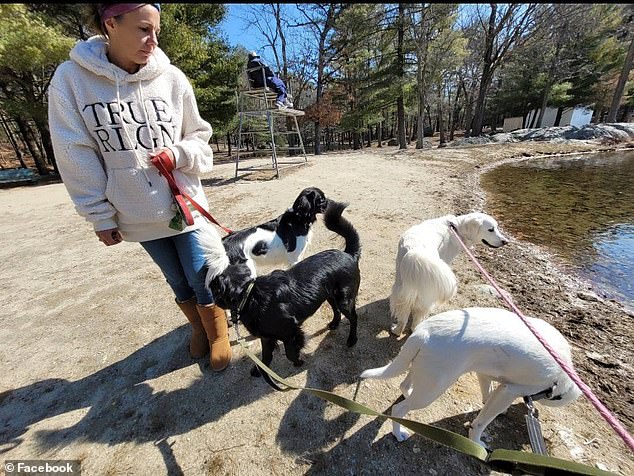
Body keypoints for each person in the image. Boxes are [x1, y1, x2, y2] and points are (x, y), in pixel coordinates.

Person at [47, 3, 231, 371]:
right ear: (110, 23)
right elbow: (74, 153)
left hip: (184, 203)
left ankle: (218, 333)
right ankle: (196, 327)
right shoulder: (71, 79)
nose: (153, 41)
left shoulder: (172, 78)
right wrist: (99, 214)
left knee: (200, 272)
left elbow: (199, 136)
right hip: (133, 208)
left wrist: (178, 153)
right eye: (144, 30)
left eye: (156, 31)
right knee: (175, 277)